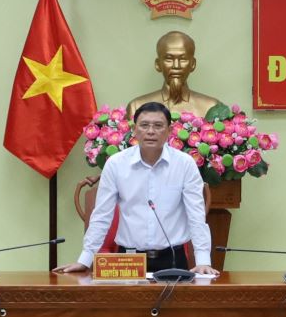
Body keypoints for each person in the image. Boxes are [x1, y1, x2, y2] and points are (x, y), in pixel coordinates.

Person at [57, 102, 217, 278]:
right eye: (144, 125)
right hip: (128, 260)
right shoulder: (116, 164)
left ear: (170, 131)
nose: (150, 131)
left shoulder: (184, 164)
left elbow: (196, 215)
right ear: (134, 130)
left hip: (172, 258)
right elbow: (102, 215)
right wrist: (85, 260)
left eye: (158, 126)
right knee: (125, 306)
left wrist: (203, 261)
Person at [125, 31, 224, 119]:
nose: (176, 66)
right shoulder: (137, 107)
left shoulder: (212, 107)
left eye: (183, 59)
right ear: (158, 64)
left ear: (193, 64)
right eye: (169, 59)